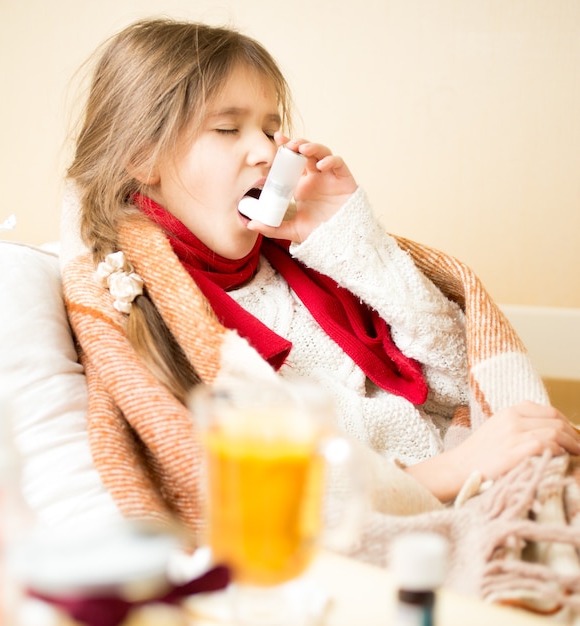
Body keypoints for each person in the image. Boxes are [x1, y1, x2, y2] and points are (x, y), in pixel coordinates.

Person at [60, 17, 580, 611]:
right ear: (141, 156)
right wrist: (451, 470)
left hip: (494, 492)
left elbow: (462, 383)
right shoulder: (133, 299)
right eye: (228, 128)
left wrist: (351, 238)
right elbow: (246, 494)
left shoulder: (310, 261)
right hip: (418, 528)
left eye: (271, 127)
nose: (266, 150)